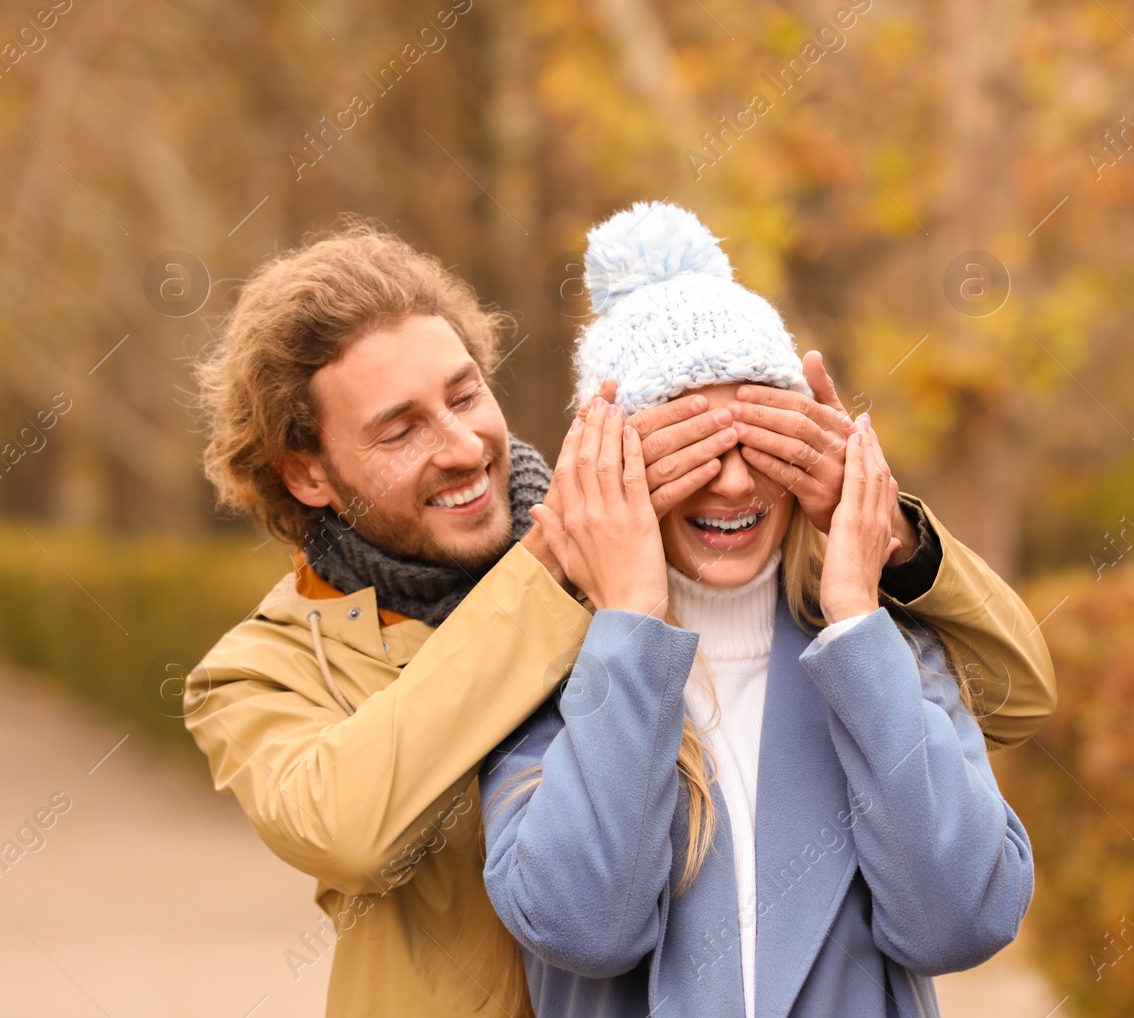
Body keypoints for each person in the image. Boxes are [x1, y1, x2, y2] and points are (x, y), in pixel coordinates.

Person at [183, 215, 1054, 1017]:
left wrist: (889, 535)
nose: (461, 446)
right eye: (400, 428)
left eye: (465, 394)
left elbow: (1013, 697)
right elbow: (348, 828)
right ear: (307, 472)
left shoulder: (707, 573)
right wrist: (565, 568)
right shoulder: (257, 670)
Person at [482, 202, 1034, 1017]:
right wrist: (630, 617)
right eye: (691, 447)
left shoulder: (891, 654)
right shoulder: (548, 672)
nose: (734, 484)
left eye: (758, 441)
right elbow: (586, 926)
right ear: (612, 464)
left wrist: (853, 613)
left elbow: (962, 919)